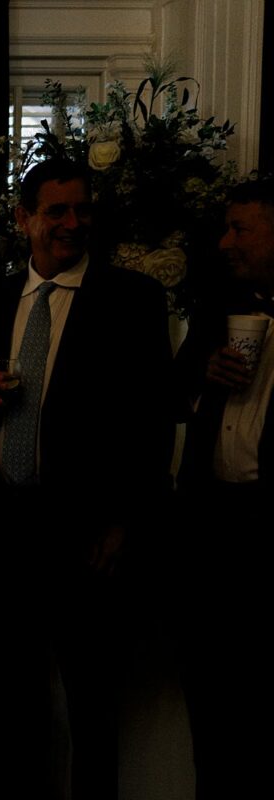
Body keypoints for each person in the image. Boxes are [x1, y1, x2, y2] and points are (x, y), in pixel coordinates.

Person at [0, 160, 173, 799]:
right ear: (24, 218)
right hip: (3, 531)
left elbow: (152, 421)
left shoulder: (131, 299)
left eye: (82, 209)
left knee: (91, 710)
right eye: (56, 211)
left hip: (85, 538)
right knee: (10, 707)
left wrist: (123, 523)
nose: (73, 223)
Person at [174, 177, 274, 799]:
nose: (225, 241)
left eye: (241, 228)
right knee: (209, 712)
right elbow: (171, 392)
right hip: (211, 537)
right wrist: (202, 375)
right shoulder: (217, 304)